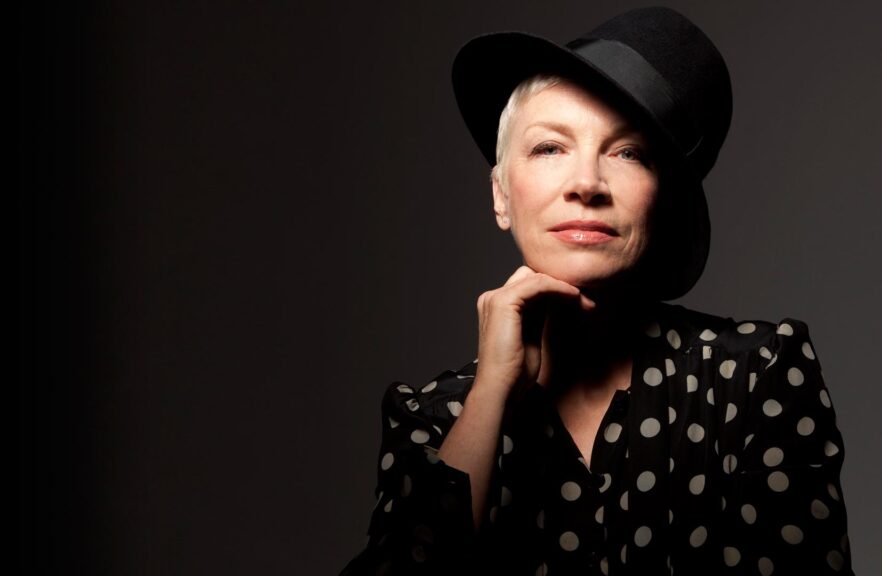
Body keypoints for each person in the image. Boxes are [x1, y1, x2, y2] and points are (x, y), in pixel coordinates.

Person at [341, 7, 853, 575]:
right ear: (500, 196)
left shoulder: (756, 374)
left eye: (628, 152)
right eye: (549, 148)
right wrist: (490, 393)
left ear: (664, 201)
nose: (586, 183)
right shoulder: (432, 416)